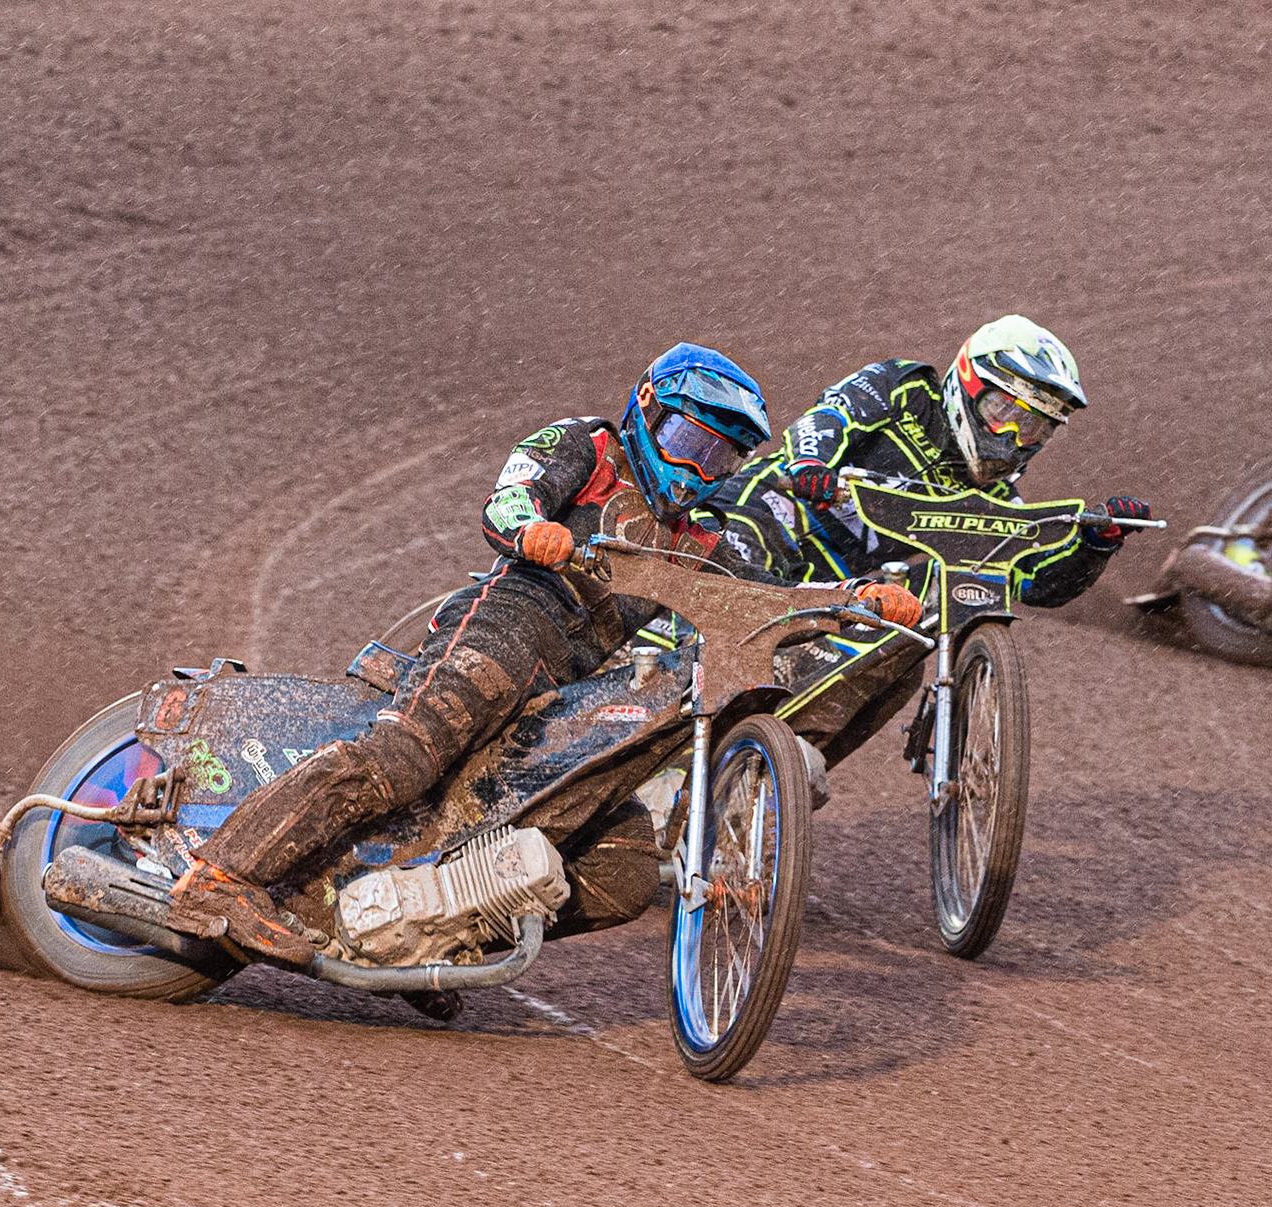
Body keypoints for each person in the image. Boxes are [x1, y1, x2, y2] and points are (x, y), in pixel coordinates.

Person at [164, 343, 920, 962]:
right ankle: (220, 872)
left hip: (572, 685)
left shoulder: (699, 537)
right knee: (403, 757)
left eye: (719, 460)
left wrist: (852, 599)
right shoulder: (589, 447)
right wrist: (533, 530)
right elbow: (511, 494)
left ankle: (446, 934)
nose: (698, 471)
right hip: (509, 625)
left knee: (621, 866)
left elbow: (754, 601)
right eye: (692, 442)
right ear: (648, 410)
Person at [697, 315, 1153, 607]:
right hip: (766, 517)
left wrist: (1096, 545)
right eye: (1004, 413)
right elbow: (830, 416)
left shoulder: (994, 499)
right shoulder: (905, 390)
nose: (1013, 437)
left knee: (898, 656)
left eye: (1033, 427)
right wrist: (811, 464)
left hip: (835, 591)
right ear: (968, 387)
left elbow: (1033, 581)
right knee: (743, 566)